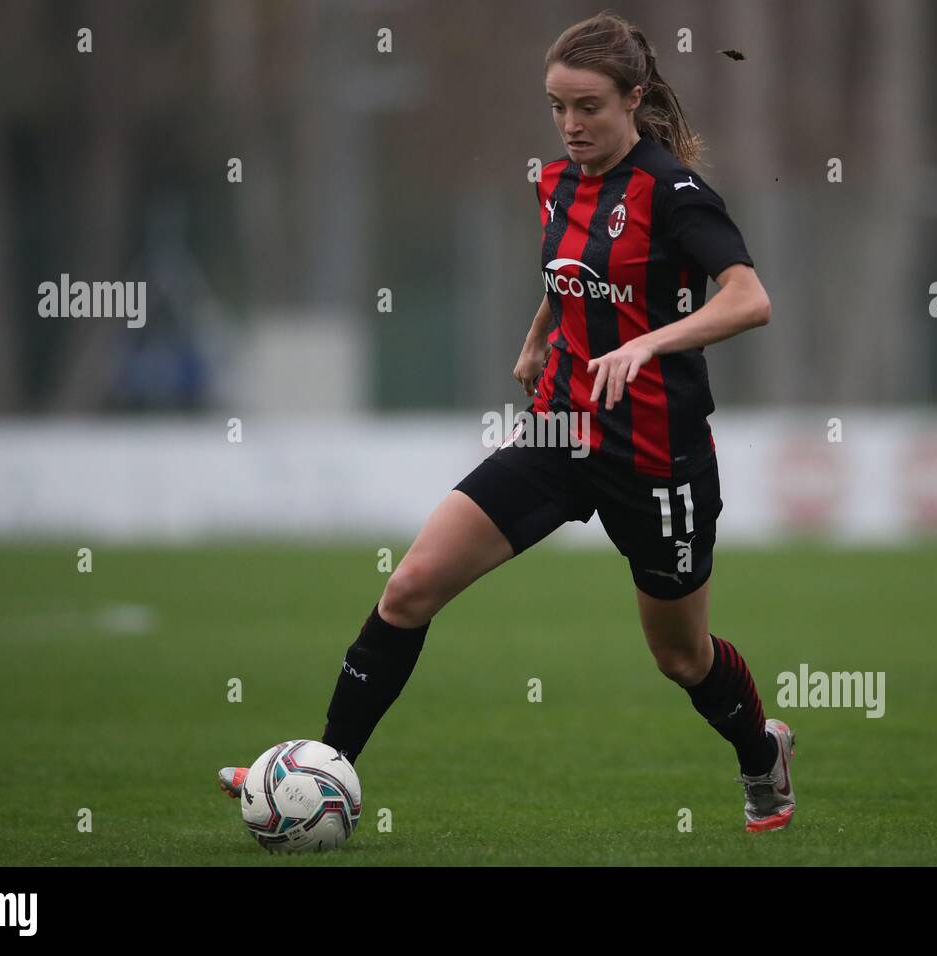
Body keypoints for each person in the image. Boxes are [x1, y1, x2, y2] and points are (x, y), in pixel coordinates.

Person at [220, 10, 794, 834]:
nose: (571, 125)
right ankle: (316, 774)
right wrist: (537, 338)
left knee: (679, 656)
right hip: (560, 431)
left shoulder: (674, 193)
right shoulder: (555, 182)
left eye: (589, 106)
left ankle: (759, 751)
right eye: (558, 106)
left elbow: (750, 298)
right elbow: (571, 275)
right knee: (410, 587)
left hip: (658, 457)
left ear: (634, 99)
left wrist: (649, 345)